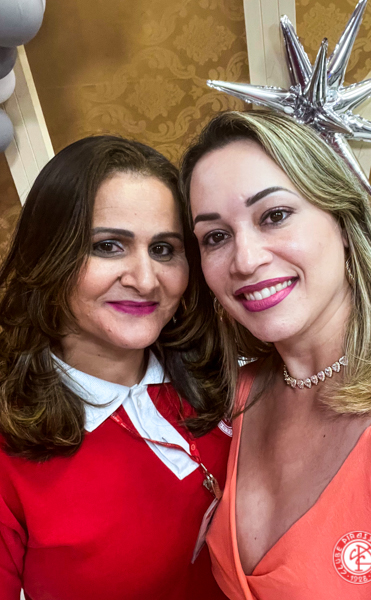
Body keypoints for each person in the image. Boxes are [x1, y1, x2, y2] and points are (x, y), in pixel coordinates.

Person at [179, 110, 371, 599]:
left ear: (343, 221)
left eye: (275, 216)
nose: (245, 260)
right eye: (216, 237)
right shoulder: (238, 397)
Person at [0, 135, 231, 600]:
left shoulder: (224, 378)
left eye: (163, 249)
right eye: (108, 246)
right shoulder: (8, 450)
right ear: (48, 255)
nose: (145, 280)